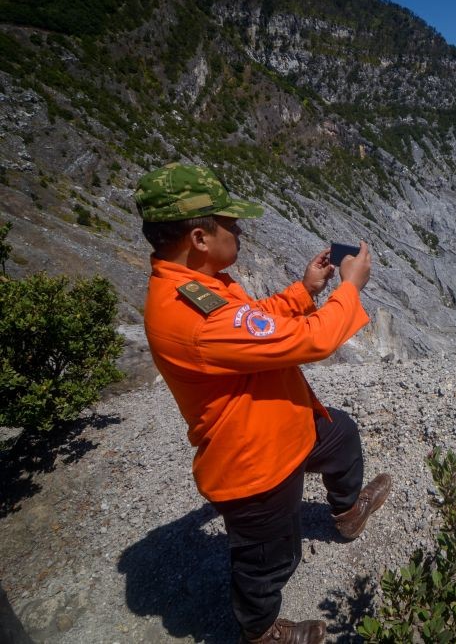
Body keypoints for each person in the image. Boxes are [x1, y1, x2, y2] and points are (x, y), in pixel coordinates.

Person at [135, 163, 391, 644]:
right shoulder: (189, 313)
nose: (240, 229)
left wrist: (304, 291)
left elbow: (249, 322)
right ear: (199, 237)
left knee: (341, 437)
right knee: (269, 557)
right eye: (230, 223)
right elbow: (311, 341)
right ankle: (261, 629)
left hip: (282, 422)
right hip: (253, 459)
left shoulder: (195, 286)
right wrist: (350, 287)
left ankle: (347, 511)